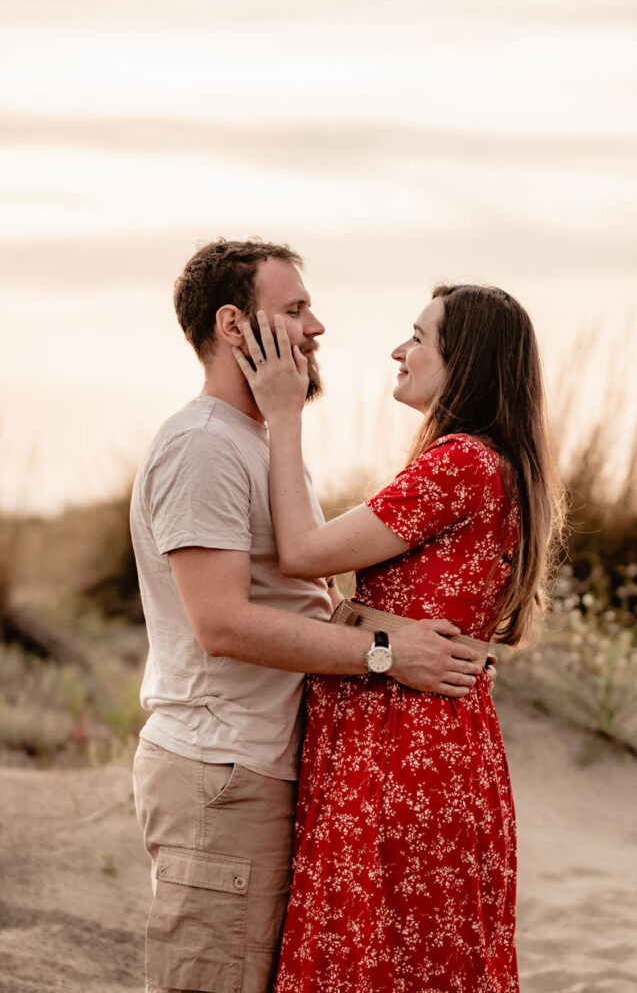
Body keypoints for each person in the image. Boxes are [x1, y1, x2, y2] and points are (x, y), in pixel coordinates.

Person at [130, 239, 492, 993]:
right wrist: (386, 656)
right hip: (222, 773)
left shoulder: (258, 441)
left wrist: (392, 631)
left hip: (264, 766)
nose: (316, 327)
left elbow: (300, 599)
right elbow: (222, 623)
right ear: (235, 327)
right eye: (294, 310)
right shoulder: (203, 447)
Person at [235, 283, 564, 993]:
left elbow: (300, 552)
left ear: (465, 360)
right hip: (435, 736)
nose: (398, 350)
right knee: (418, 956)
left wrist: (283, 415)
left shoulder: (460, 463)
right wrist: (368, 623)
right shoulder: (493, 464)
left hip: (398, 743)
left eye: (418, 337)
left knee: (375, 953)